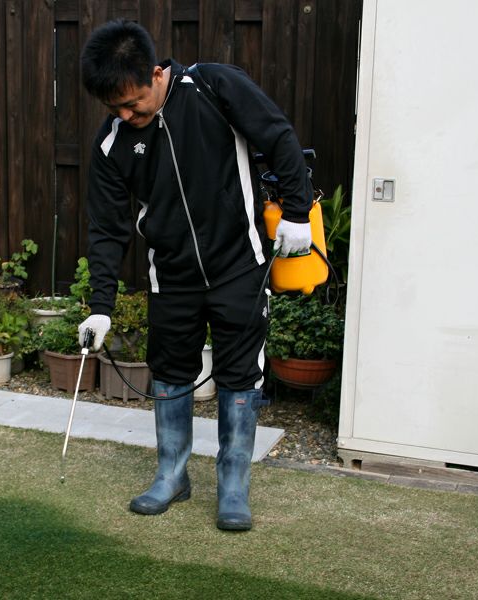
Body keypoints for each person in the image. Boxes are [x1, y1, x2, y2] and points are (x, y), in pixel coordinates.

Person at [78, 19, 313, 531]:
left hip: (239, 267)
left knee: (240, 374)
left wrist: (297, 212)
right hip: (172, 279)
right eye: (114, 109)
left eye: (132, 103)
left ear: (155, 73)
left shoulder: (213, 87)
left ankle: (234, 484)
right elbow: (107, 229)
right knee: (170, 372)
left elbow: (278, 136)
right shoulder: (112, 144)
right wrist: (100, 307)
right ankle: (172, 474)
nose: (126, 115)